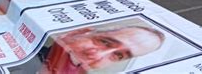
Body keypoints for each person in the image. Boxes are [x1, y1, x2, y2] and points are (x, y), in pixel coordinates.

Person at [30, 25, 164, 73]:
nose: (96, 55)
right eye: (105, 42)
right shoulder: (31, 51)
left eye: (118, 56)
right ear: (82, 31)